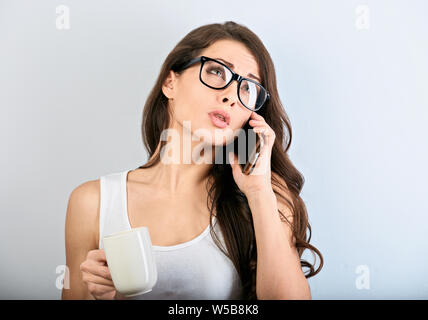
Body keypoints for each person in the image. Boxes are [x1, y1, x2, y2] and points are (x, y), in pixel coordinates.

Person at [61, 21, 323, 300]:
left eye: (248, 88)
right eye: (216, 71)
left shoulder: (267, 197)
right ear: (170, 83)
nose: (231, 96)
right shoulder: (92, 202)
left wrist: (259, 194)